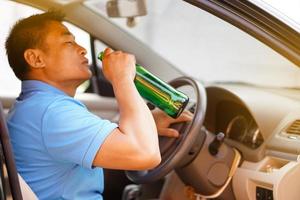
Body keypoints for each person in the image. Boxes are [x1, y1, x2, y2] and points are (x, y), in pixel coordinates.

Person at [5, 11, 192, 199]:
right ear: (36, 59)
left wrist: (148, 124)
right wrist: (122, 78)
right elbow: (146, 154)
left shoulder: (35, 107)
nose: (82, 49)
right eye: (68, 42)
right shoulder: (51, 112)